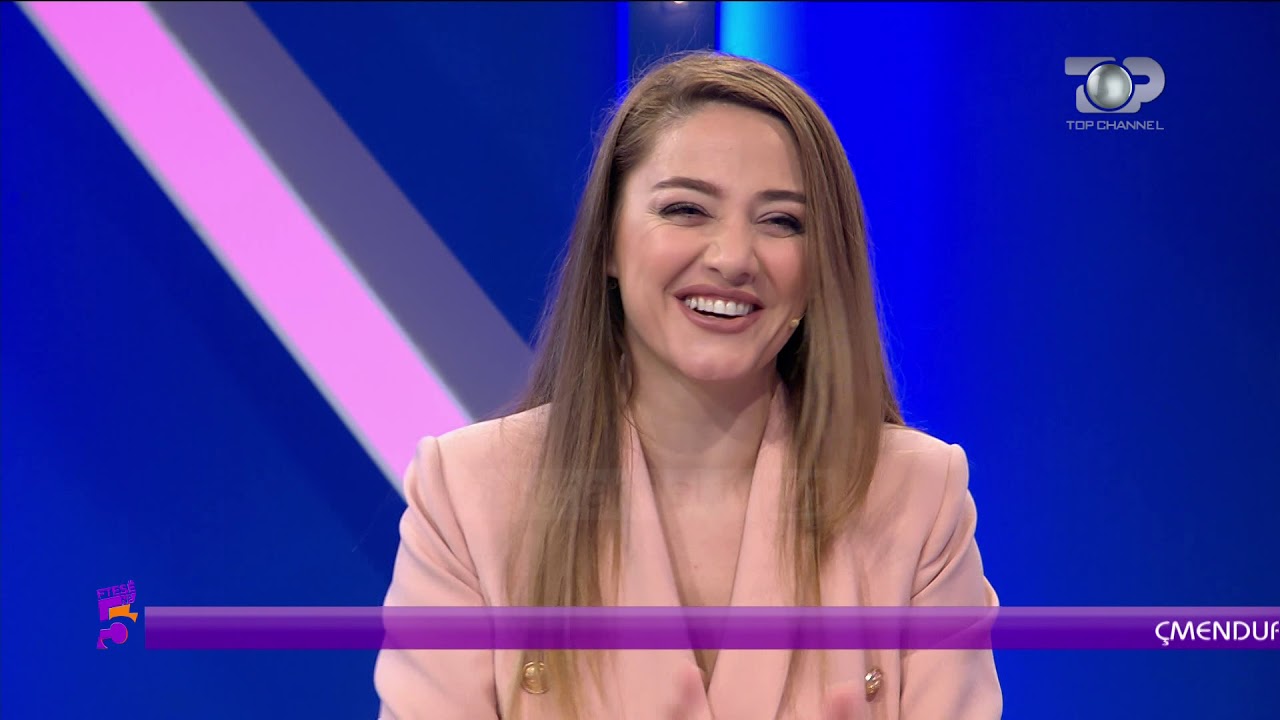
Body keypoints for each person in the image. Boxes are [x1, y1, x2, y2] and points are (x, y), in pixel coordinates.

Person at [374, 50, 1001, 719]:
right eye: (686, 209)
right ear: (608, 243)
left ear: (821, 268)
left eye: (781, 221)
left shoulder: (916, 496)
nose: (733, 258)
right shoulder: (468, 494)